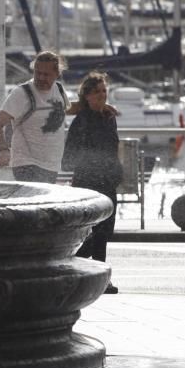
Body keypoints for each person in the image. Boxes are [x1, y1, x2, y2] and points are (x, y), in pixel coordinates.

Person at [62, 71, 122, 294]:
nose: (101, 95)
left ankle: (102, 279)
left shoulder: (109, 117)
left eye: (104, 91)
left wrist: (116, 172)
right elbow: (69, 156)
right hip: (88, 180)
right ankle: (73, 266)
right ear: (86, 96)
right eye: (96, 92)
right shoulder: (81, 121)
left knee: (105, 231)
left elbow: (113, 148)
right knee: (91, 232)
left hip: (108, 179)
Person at [0, 51, 70, 184]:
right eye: (38, 73)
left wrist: (103, 107)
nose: (41, 77)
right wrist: (3, 150)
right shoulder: (22, 93)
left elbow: (67, 110)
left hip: (52, 164)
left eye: (46, 74)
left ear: (57, 74)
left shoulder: (59, 89)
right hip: (27, 164)